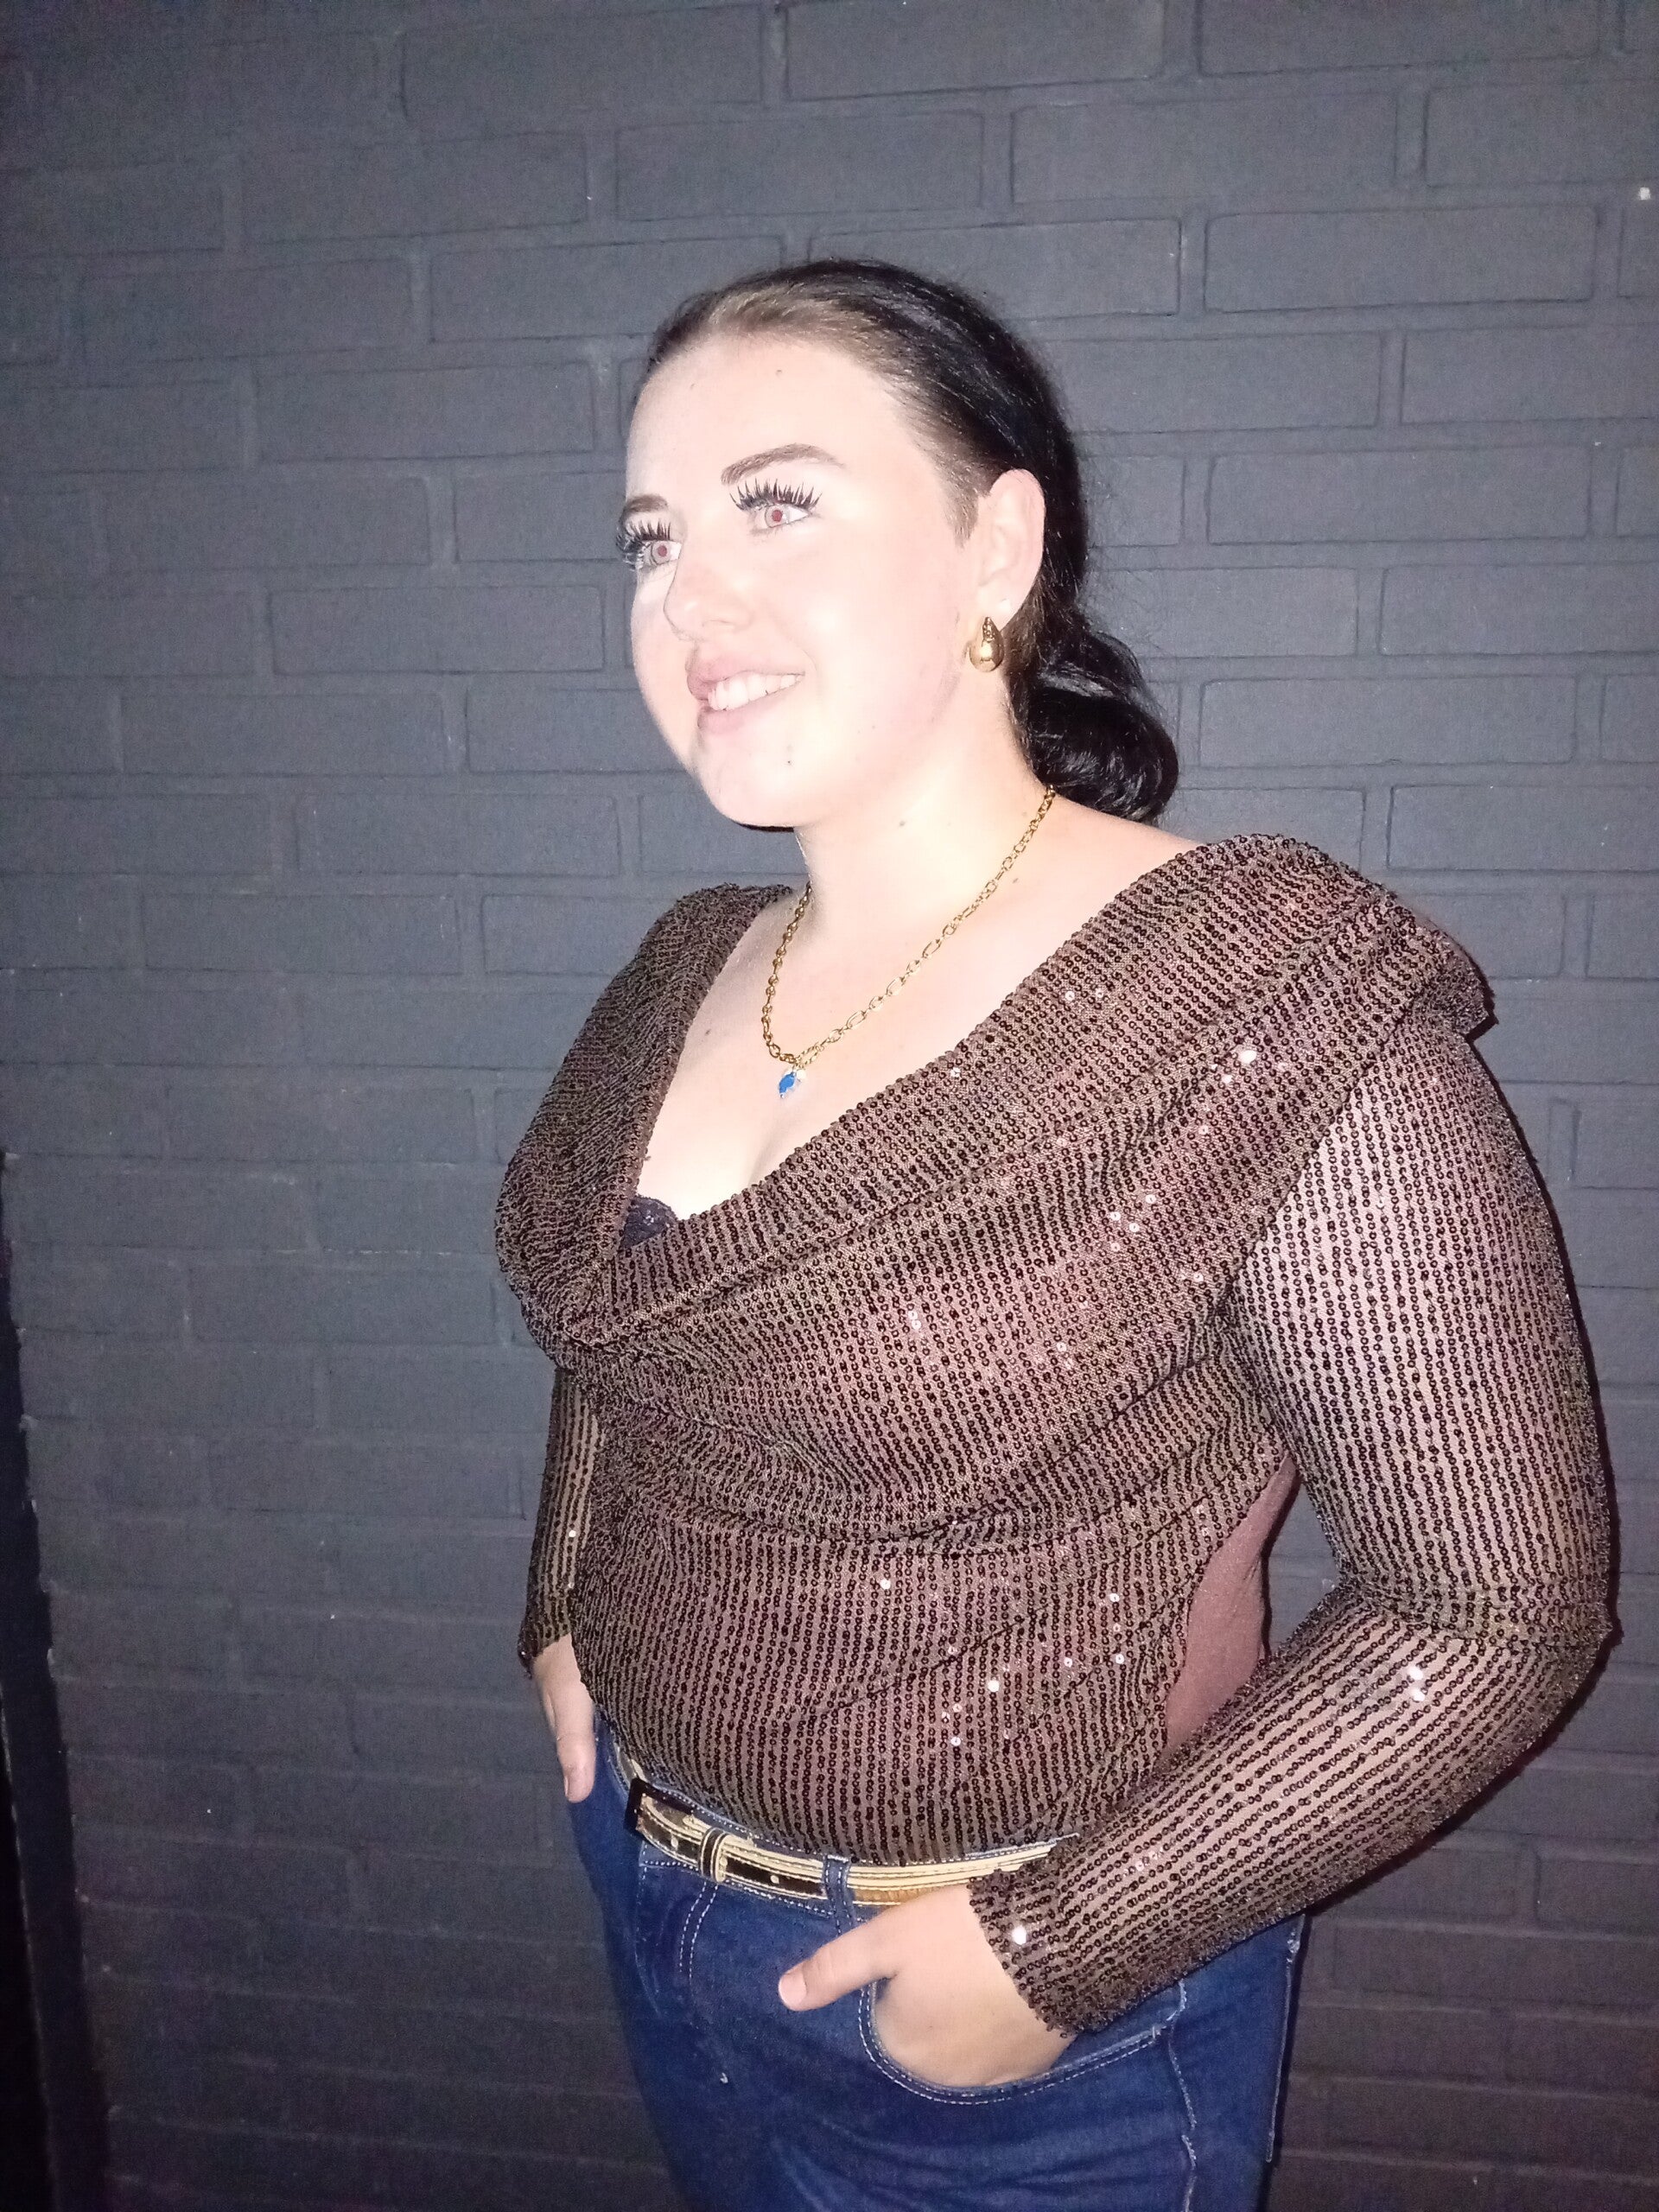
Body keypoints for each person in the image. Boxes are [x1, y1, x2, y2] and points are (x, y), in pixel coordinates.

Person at [493, 257, 1614, 2212]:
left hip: (1024, 2021)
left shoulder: (1259, 1004)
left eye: (778, 503)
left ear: (996, 546)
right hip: (650, 1895)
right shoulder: (685, 968)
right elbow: (627, 1329)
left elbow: (1495, 1606)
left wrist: (1054, 1950)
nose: (692, 599)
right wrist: (564, 1608)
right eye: (653, 538)